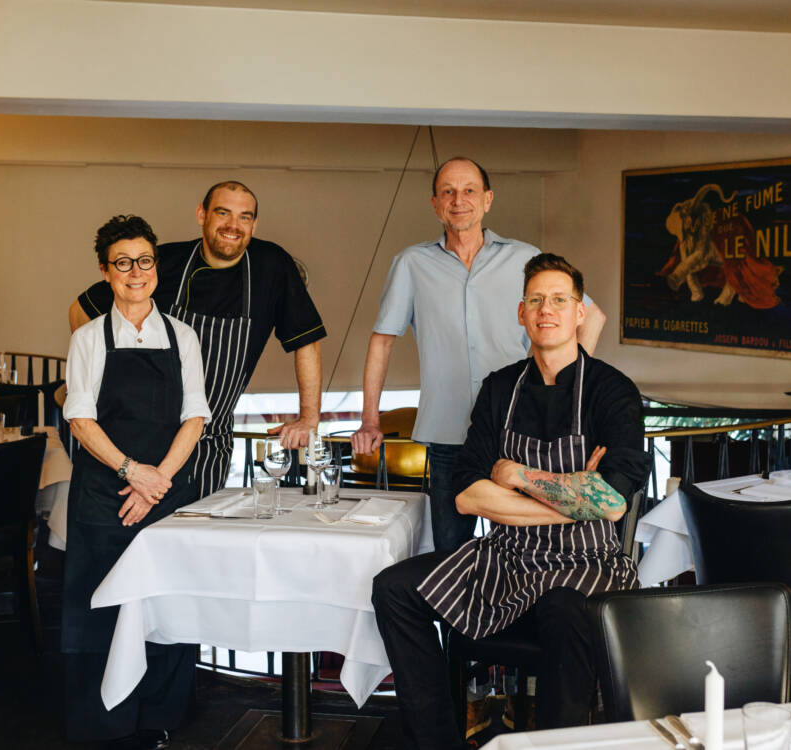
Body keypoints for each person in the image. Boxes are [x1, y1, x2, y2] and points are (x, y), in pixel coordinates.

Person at [371, 253, 650, 750]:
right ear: (521, 313)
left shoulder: (613, 391)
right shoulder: (500, 389)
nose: (548, 310)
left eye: (560, 300)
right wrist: (569, 497)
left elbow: (609, 503)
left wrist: (517, 476)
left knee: (567, 613)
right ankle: (437, 741)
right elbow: (465, 495)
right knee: (394, 589)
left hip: (586, 562)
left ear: (579, 313)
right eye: (537, 300)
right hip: (505, 560)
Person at [351, 157, 607, 553]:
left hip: (523, 434)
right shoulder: (411, 264)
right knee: (451, 555)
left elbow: (591, 316)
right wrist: (369, 419)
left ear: (487, 200)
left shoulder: (525, 259)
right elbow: (382, 340)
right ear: (435, 204)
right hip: (448, 432)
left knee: (533, 546)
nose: (459, 200)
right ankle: (459, 618)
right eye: (448, 192)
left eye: (469, 190)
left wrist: (563, 387)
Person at [69, 181, 326, 498]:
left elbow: (307, 340)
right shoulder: (161, 264)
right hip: (145, 446)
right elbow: (80, 312)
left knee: (192, 540)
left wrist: (309, 418)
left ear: (254, 224)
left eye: (245, 216)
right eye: (223, 212)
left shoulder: (272, 267)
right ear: (201, 215)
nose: (233, 225)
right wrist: (100, 384)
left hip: (209, 446)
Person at [62, 215, 212, 748]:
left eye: (143, 261)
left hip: (166, 490)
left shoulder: (184, 336)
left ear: (155, 268)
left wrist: (159, 481)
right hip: (106, 493)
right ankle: (106, 724)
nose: (135, 272)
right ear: (105, 271)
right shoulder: (88, 337)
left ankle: (159, 718)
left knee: (166, 605)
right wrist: (132, 472)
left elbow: (194, 417)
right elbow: (81, 420)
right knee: (100, 605)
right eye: (122, 262)